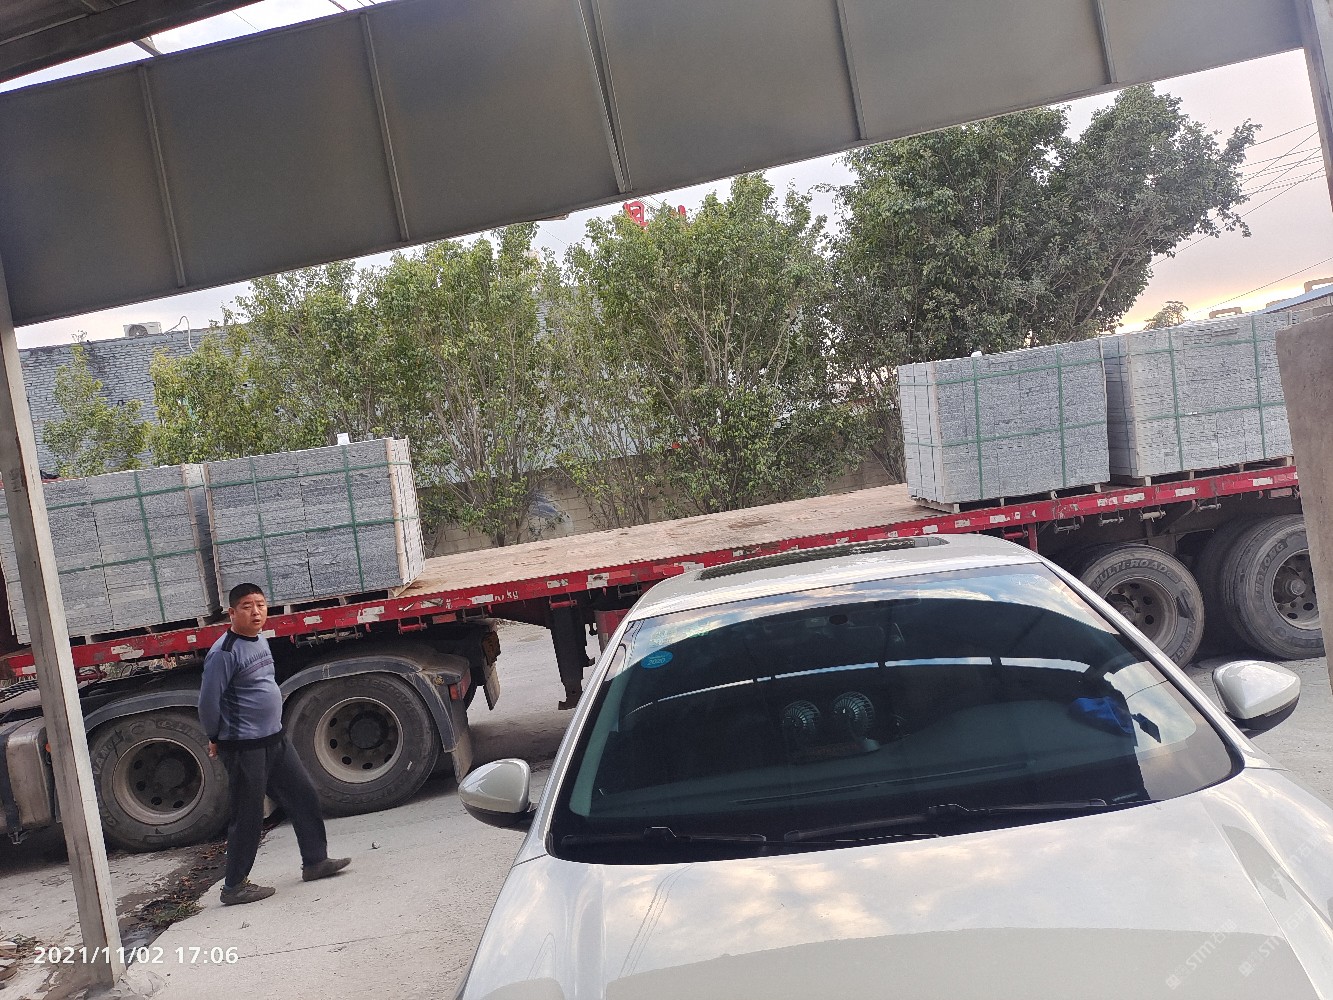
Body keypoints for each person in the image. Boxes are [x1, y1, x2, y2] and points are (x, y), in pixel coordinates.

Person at [199, 583, 350, 905]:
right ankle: (234, 886)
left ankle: (315, 861)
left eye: (260, 604)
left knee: (304, 795)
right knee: (249, 814)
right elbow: (209, 701)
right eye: (247, 606)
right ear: (232, 613)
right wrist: (214, 736)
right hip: (244, 746)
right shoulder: (224, 652)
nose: (256, 612)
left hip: (274, 739)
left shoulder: (260, 640)